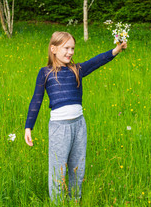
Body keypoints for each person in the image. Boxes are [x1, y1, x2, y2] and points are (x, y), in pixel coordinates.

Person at [24, 31, 127, 203]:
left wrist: (116, 50)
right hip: (59, 127)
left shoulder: (76, 69)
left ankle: (74, 201)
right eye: (66, 48)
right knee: (58, 169)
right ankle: (57, 203)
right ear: (53, 49)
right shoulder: (45, 72)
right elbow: (36, 100)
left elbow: (96, 61)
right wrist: (29, 126)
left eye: (72, 48)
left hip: (79, 125)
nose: (70, 52)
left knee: (77, 168)